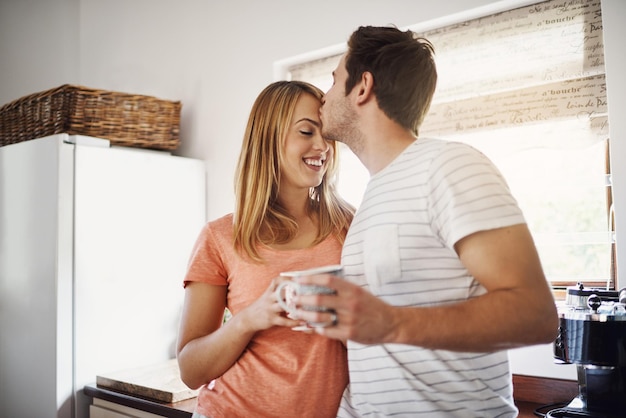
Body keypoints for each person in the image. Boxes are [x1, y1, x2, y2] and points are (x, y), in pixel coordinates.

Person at [291, 26, 559, 417]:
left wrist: (391, 323)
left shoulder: (448, 165)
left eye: (334, 80)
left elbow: (536, 316)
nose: (324, 96)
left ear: (362, 86)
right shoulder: (372, 196)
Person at [176, 80, 354, 418]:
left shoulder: (350, 227)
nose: (323, 146)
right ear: (269, 138)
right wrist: (249, 320)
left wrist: (347, 324)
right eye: (306, 132)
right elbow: (191, 370)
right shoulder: (220, 237)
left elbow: (375, 339)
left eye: (328, 134)